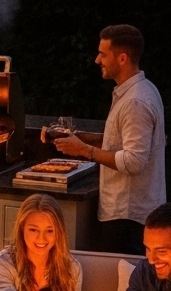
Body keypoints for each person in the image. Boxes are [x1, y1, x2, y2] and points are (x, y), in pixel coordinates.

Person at [53, 24, 165, 256]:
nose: (97, 60)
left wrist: (85, 150)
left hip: (127, 217)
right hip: (129, 214)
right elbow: (124, 142)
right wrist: (85, 140)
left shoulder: (136, 102)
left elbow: (134, 161)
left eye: (103, 54)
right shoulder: (142, 90)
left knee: (123, 287)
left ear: (122, 58)